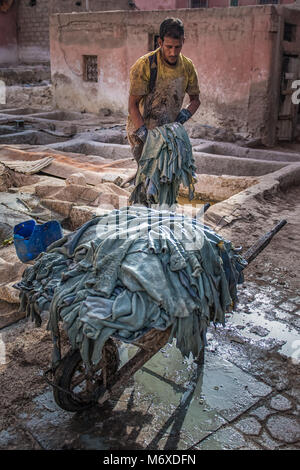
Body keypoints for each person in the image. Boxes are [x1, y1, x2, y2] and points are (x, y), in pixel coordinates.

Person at [126, 17, 201, 163]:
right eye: (168, 47)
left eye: (177, 47)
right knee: (149, 175)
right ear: (160, 42)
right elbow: (132, 105)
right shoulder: (145, 65)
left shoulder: (187, 67)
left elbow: (195, 100)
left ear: (183, 41)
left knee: (168, 177)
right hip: (142, 130)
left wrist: (182, 118)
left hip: (168, 133)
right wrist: (144, 135)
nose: (173, 52)